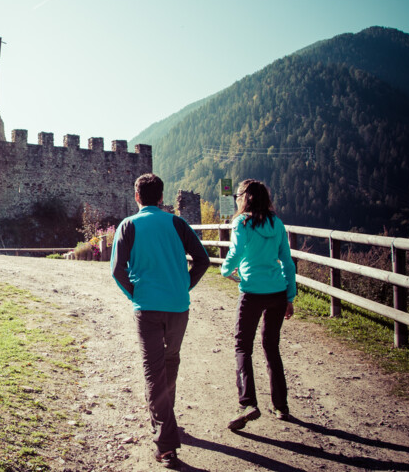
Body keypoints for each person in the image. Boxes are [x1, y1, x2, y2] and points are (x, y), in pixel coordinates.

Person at [111, 173, 209, 468]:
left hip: (148, 307)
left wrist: (136, 294)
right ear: (162, 198)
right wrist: (184, 286)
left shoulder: (128, 225)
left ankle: (166, 445)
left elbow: (117, 270)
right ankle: (167, 422)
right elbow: (202, 260)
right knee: (170, 362)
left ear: (137, 197)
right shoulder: (177, 223)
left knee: (154, 372)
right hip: (179, 307)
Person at [220, 179, 297, 430]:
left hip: (252, 291)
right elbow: (287, 261)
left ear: (244, 198)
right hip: (277, 291)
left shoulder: (241, 223)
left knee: (243, 346)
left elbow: (236, 252)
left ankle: (248, 403)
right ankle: (281, 406)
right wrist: (289, 297)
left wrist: (225, 270)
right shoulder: (277, 223)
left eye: (238, 196)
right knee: (271, 347)